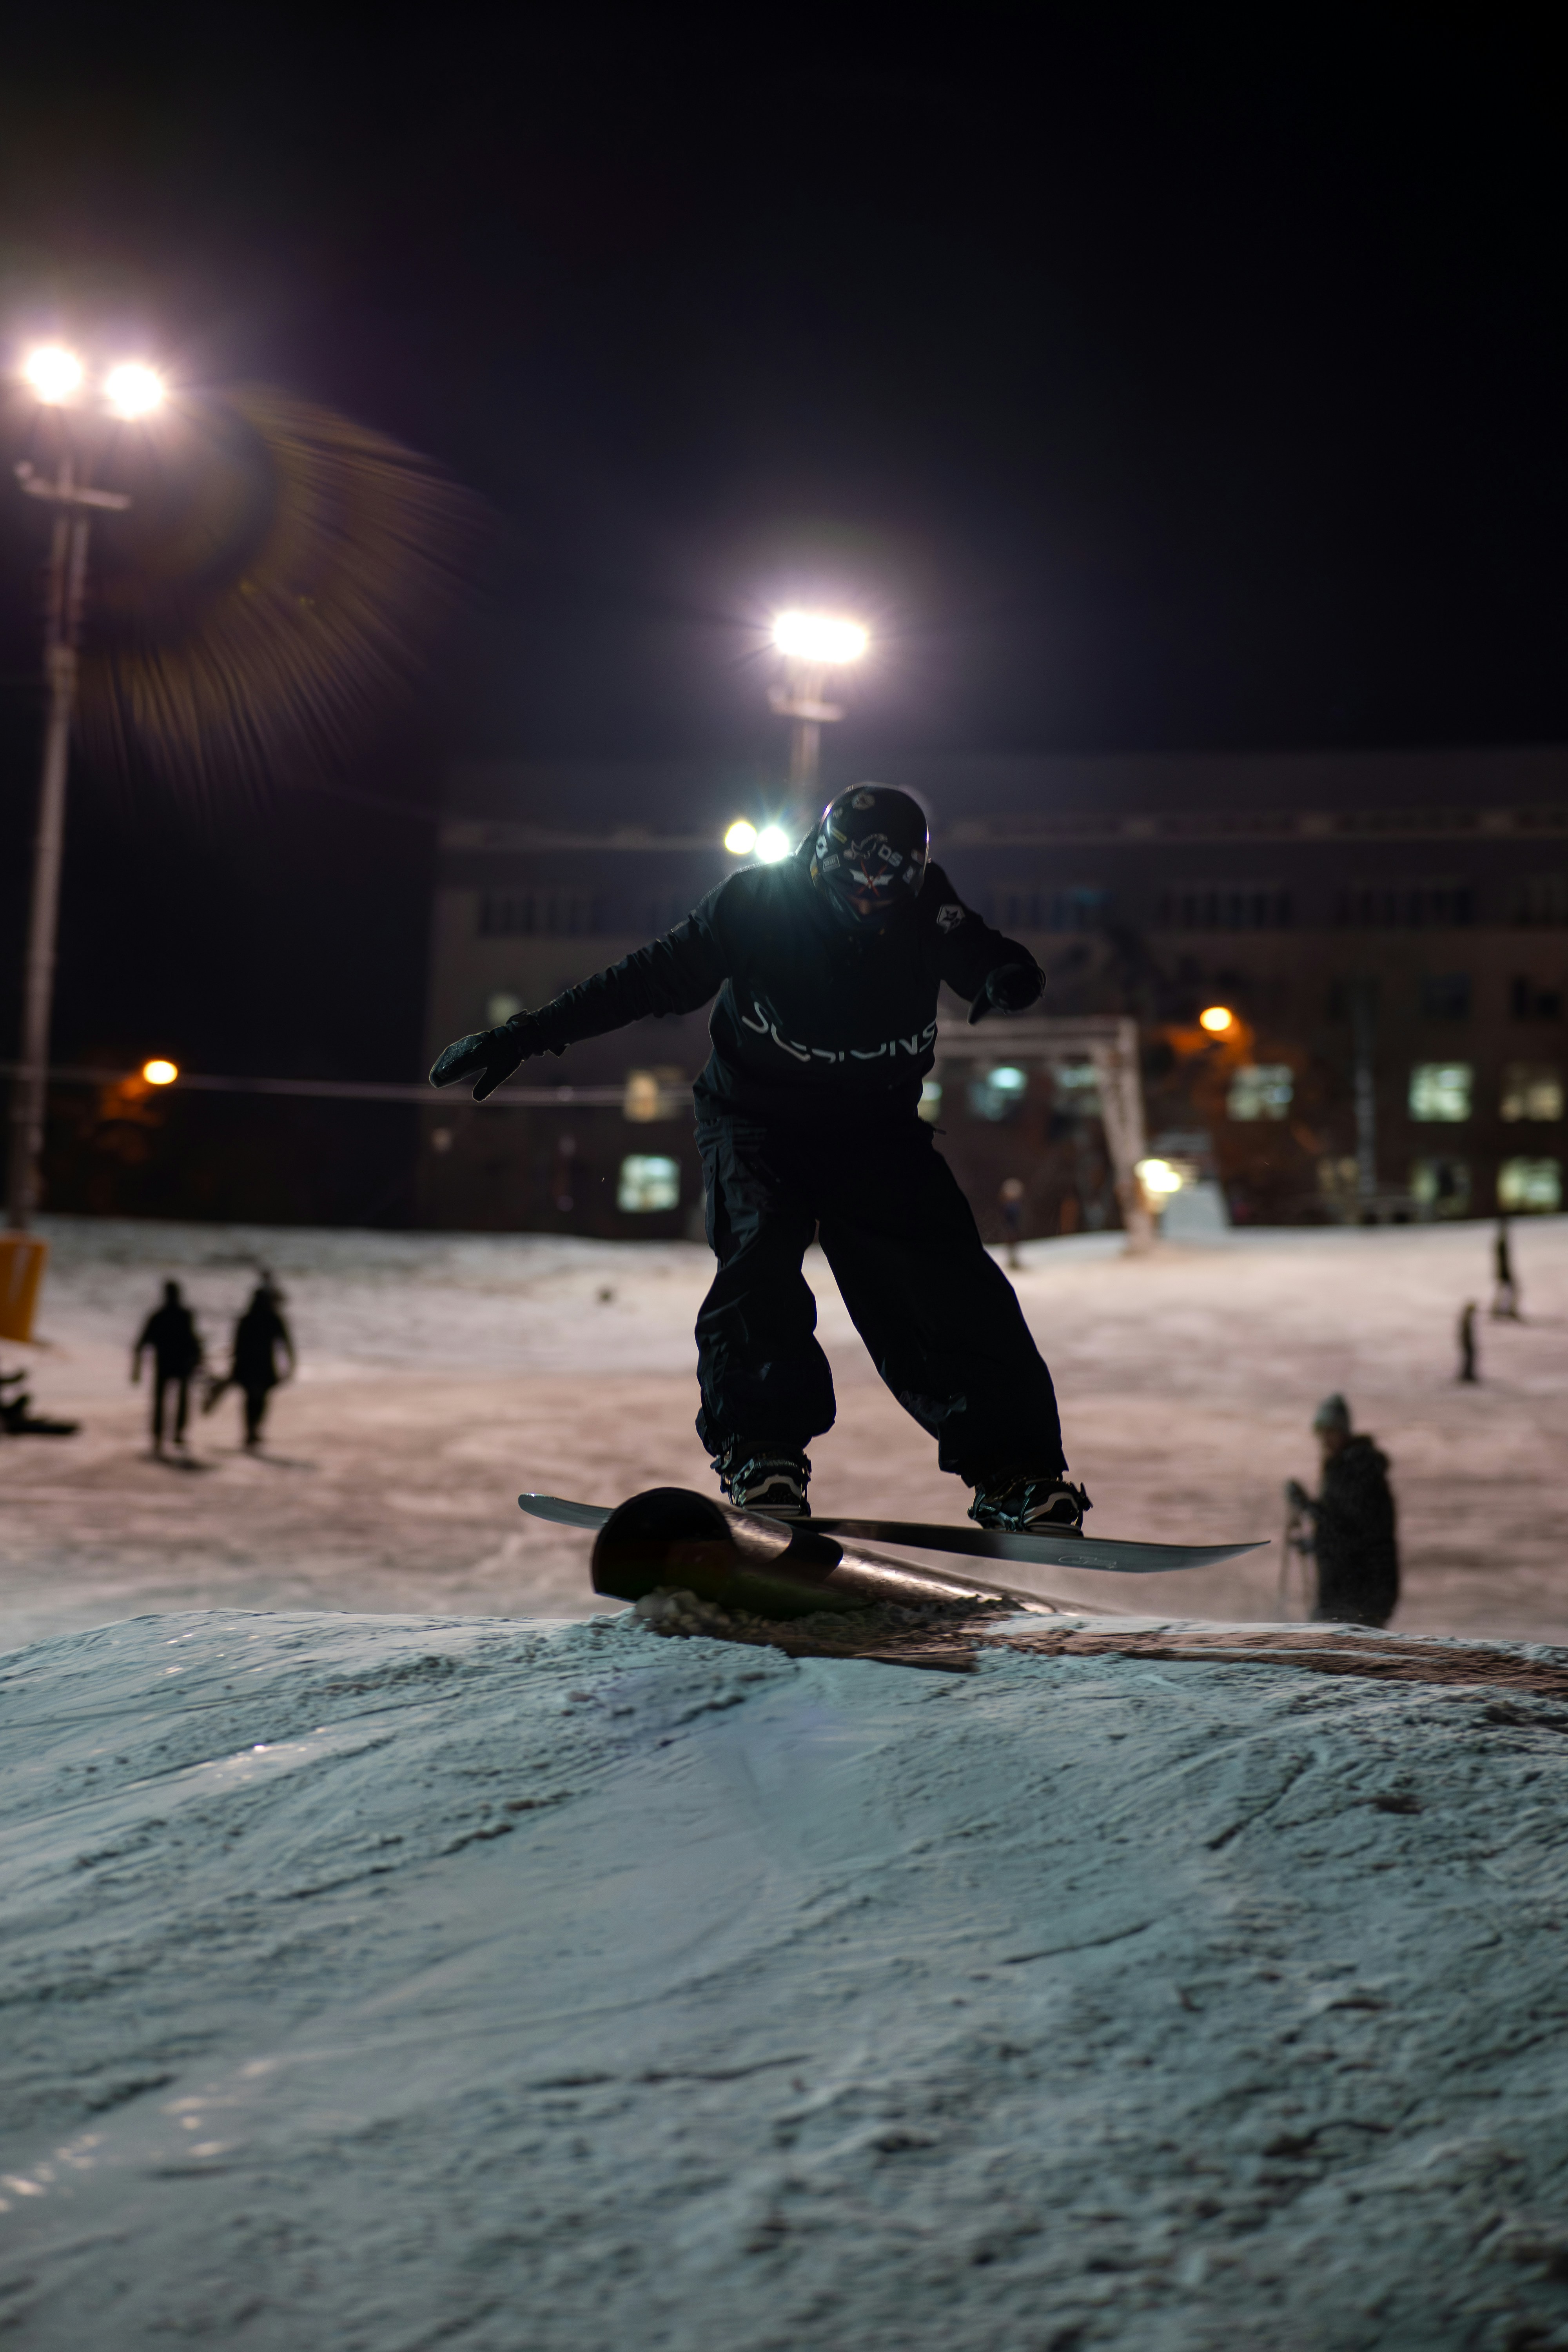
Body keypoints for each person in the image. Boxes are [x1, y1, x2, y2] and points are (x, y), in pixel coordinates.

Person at [432, 783, 1083, 1530]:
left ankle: (1017, 1472)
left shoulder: (925, 901)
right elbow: (645, 978)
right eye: (853, 895)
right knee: (759, 1261)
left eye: (886, 900)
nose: (870, 909)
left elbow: (969, 943)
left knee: (944, 1281)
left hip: (875, 1128)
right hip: (755, 1119)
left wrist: (1005, 971)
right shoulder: (756, 905)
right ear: (820, 866)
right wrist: (524, 1035)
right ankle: (762, 1451)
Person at [1284, 1394, 1399, 1628]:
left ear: (1344, 1431)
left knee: (1336, 1649)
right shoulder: (1342, 1467)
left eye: (1331, 1432)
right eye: (1322, 1433)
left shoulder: (1359, 1470)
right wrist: (1314, 1545)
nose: (1325, 1440)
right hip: (1349, 1586)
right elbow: (1340, 1531)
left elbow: (1347, 1528)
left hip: (1361, 1588)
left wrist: (1306, 1505)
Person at [207, 1279, 295, 1448]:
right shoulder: (274, 1320)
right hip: (265, 1367)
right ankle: (255, 1431)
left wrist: (233, 1366)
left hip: (247, 1366)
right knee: (261, 1400)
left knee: (250, 1400)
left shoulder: (246, 1320)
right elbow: (286, 1344)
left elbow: (236, 1346)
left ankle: (250, 1432)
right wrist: (291, 1364)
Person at [132, 1280, 204, 1457]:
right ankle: (176, 1435)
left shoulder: (159, 1316)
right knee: (179, 1401)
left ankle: (161, 1437)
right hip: (180, 1364)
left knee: (162, 1402)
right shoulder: (184, 1315)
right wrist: (199, 1360)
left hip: (166, 1364)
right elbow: (193, 1340)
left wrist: (137, 1368)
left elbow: (141, 1344)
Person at [1492, 1216, 1520, 1320]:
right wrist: (1504, 1272)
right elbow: (1502, 1260)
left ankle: (1499, 1310)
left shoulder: (1501, 1241)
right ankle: (1504, 1310)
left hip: (1503, 1271)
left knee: (1505, 1291)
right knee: (1512, 1291)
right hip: (1504, 1272)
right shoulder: (1501, 1242)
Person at [1458, 1299, 1479, 1383]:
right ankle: (1467, 1375)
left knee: (1469, 1358)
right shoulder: (1467, 1318)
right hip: (1467, 1342)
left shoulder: (1466, 1317)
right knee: (1469, 1358)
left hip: (1467, 1341)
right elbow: (1466, 1332)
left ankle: (1468, 1374)